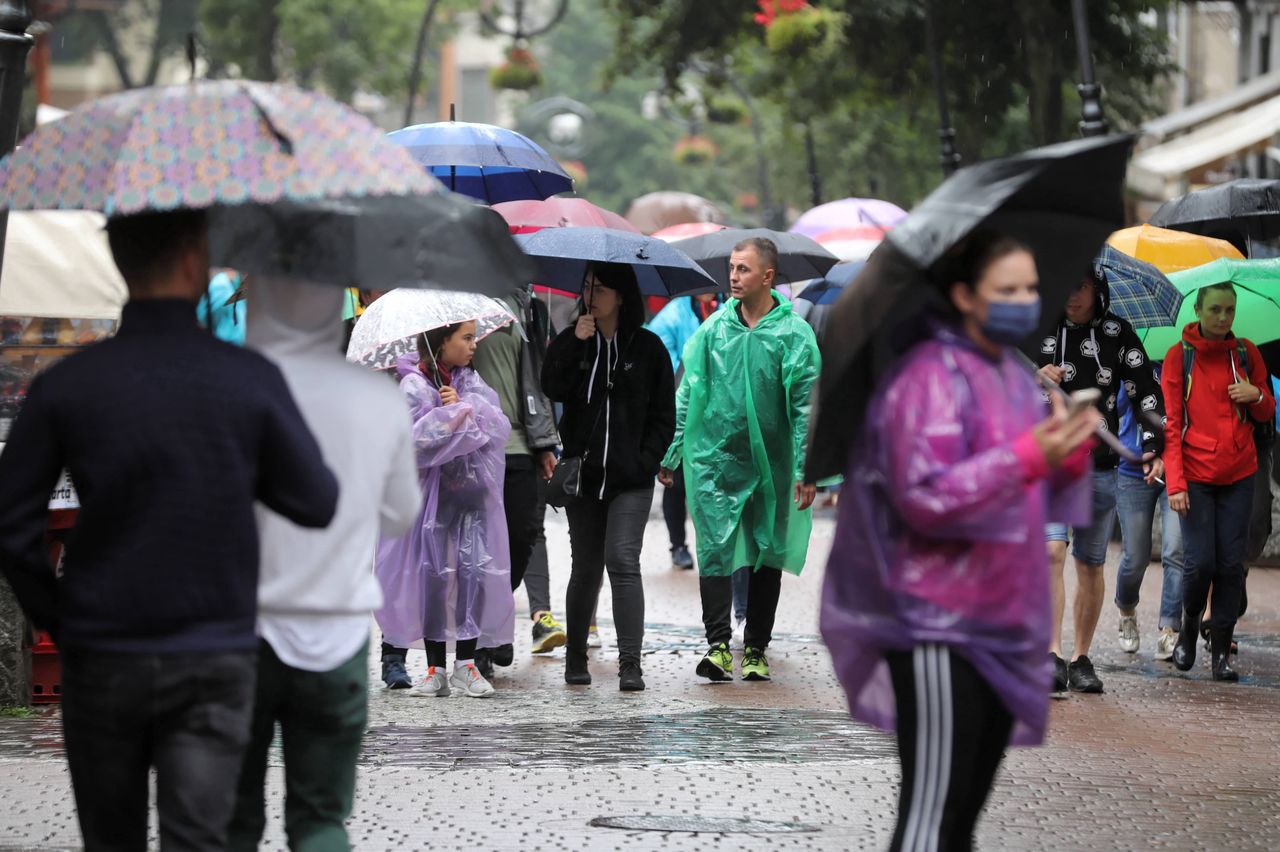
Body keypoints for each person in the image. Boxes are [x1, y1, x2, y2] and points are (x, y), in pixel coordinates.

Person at [0, 209, 339, 852]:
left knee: (111, 838)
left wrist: (60, 618)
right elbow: (316, 502)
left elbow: (12, 523)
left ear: (122, 263)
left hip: (101, 645)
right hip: (214, 644)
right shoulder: (247, 379)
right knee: (199, 837)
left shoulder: (68, 383)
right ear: (194, 258)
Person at [821, 232, 1098, 852]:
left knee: (962, 820)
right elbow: (925, 497)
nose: (1025, 301)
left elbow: (1036, 496)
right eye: (1008, 290)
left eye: (1031, 289)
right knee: (930, 819)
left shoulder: (1008, 374)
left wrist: (1068, 452)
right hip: (935, 627)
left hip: (1000, 622)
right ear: (965, 296)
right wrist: (1029, 455)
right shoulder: (928, 376)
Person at [228, 278, 421, 851]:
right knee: (320, 821)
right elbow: (399, 514)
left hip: (241, 636)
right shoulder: (376, 396)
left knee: (233, 817)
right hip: (336, 634)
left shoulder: (232, 389)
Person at [659, 237, 820, 683]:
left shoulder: (793, 333)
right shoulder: (713, 331)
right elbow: (689, 391)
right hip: (717, 460)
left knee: (767, 550)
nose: (733, 276)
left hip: (774, 462)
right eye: (731, 267)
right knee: (715, 549)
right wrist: (672, 450)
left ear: (768, 276)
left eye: (744, 269)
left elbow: (807, 403)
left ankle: (755, 648)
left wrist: (808, 468)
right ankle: (717, 646)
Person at [541, 262, 674, 692]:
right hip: (584, 476)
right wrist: (572, 344)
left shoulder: (649, 348)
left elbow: (662, 417)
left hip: (630, 480)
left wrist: (645, 461)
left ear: (620, 296)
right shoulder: (576, 339)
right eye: (586, 287)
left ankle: (630, 664)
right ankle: (575, 658)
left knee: (622, 560)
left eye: (599, 289)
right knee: (585, 568)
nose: (590, 295)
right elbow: (552, 387)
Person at [1036, 266, 1166, 694]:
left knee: (1089, 564)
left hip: (1100, 464)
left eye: (1082, 287)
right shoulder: (1035, 328)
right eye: (1065, 286)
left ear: (1097, 290)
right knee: (1053, 550)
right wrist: (1035, 375)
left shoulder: (1117, 332)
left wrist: (1152, 443)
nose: (1072, 296)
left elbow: (1145, 388)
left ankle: (1081, 658)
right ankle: (1052, 654)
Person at [375, 322, 515, 698]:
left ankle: (466, 663)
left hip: (470, 495)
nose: (473, 346)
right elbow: (411, 441)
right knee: (433, 575)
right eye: (466, 338)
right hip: (431, 502)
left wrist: (464, 408)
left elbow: (498, 425)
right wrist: (447, 415)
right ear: (441, 342)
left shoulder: (470, 382)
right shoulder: (413, 386)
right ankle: (435, 667)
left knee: (473, 571)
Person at [1162, 282, 1275, 681]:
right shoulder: (1180, 358)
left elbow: (1266, 412)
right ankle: (1190, 624)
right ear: (1197, 309)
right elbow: (1172, 426)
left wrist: (1255, 396)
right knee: (1199, 565)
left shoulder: (1246, 353)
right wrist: (1175, 483)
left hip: (1240, 474)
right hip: (1194, 476)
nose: (1223, 318)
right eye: (1214, 310)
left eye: (1229, 310)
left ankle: (1220, 652)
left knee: (1230, 564)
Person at [471, 284, 567, 666]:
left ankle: (497, 613)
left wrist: (545, 442)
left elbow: (537, 377)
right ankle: (480, 641)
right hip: (474, 443)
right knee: (478, 546)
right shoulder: (459, 303)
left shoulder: (527, 307)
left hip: (521, 443)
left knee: (524, 533)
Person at [1113, 368, 1185, 661]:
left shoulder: (1184, 362)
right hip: (1133, 469)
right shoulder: (1128, 359)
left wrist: (1166, 457)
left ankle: (1169, 627)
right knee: (1135, 557)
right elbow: (1113, 410)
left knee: (1175, 551)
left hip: (1178, 469)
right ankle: (1127, 609)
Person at [646, 292, 719, 571]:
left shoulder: (727, 309)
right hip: (681, 402)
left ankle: (712, 544)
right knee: (675, 481)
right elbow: (659, 353)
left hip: (716, 412)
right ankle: (678, 544)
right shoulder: (675, 313)